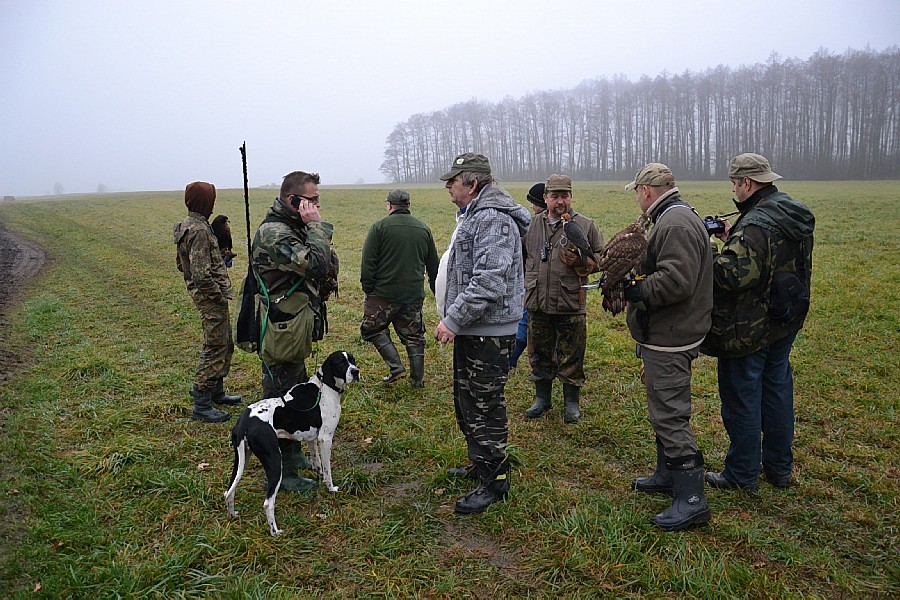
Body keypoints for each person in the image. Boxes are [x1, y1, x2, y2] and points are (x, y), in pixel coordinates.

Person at [702, 153, 815, 492]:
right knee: (777, 391)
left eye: (735, 184)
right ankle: (779, 469)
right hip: (785, 318)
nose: (733, 190)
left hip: (750, 328)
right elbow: (772, 258)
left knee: (742, 399)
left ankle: (741, 475)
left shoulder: (755, 225)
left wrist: (709, 251)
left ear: (747, 183)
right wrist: (733, 239)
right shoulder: (790, 211)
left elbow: (733, 276)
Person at [435, 152, 531, 514]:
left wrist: (453, 319)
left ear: (473, 184)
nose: (448, 186)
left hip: (488, 332)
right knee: (468, 402)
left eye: (454, 180)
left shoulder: (493, 219)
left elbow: (489, 280)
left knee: (484, 405)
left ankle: (496, 479)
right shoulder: (474, 214)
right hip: (474, 328)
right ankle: (481, 462)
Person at [623, 163, 713, 531]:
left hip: (671, 336)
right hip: (667, 331)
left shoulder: (674, 223)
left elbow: (677, 281)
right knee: (662, 409)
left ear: (646, 190)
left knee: (670, 415)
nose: (637, 199)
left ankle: (692, 499)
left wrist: (637, 290)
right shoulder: (674, 215)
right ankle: (666, 474)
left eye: (637, 192)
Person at [250, 170, 338, 492]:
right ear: (293, 200)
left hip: (294, 322)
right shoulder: (275, 233)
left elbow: (328, 263)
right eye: (312, 200)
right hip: (281, 327)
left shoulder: (292, 226)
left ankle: (292, 452)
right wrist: (316, 227)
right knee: (279, 397)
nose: (317, 206)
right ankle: (281, 472)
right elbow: (317, 264)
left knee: (295, 387)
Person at [522, 174, 604, 424]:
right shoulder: (530, 226)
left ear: (571, 197)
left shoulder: (586, 225)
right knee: (539, 354)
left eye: (565, 196)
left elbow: (603, 257)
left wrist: (584, 262)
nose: (560, 201)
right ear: (545, 198)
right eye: (555, 196)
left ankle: (571, 403)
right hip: (537, 302)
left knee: (572, 356)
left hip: (570, 302)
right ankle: (542, 399)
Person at [174, 181, 242, 423]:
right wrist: (217, 295)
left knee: (224, 342)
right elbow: (201, 274)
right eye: (210, 200)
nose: (213, 205)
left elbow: (182, 264)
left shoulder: (187, 225)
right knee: (215, 345)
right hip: (210, 298)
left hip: (205, 295)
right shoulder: (200, 230)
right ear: (204, 202)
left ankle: (216, 391)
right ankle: (202, 403)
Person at [360, 189, 439, 387]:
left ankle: (396, 368)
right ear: (408, 205)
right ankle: (417, 380)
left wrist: (369, 289)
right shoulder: (423, 228)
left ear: (389, 205)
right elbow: (433, 264)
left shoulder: (379, 227)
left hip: (382, 294)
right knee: (414, 337)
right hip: (413, 294)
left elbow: (368, 262)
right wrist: (435, 288)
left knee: (371, 329)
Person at [509, 183, 546, 369]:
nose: (531, 206)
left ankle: (509, 361)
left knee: (523, 325)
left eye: (534, 203)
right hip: (535, 283)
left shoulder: (532, 227)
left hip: (531, 284)